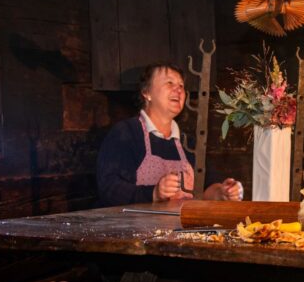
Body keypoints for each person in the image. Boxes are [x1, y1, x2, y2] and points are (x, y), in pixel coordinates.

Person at [97, 62, 243, 206]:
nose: (178, 90)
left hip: (184, 227)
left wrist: (222, 192)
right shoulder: (126, 133)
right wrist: (154, 193)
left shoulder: (188, 143)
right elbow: (109, 188)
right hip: (139, 227)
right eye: (169, 83)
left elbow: (205, 187)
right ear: (147, 92)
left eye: (181, 86)